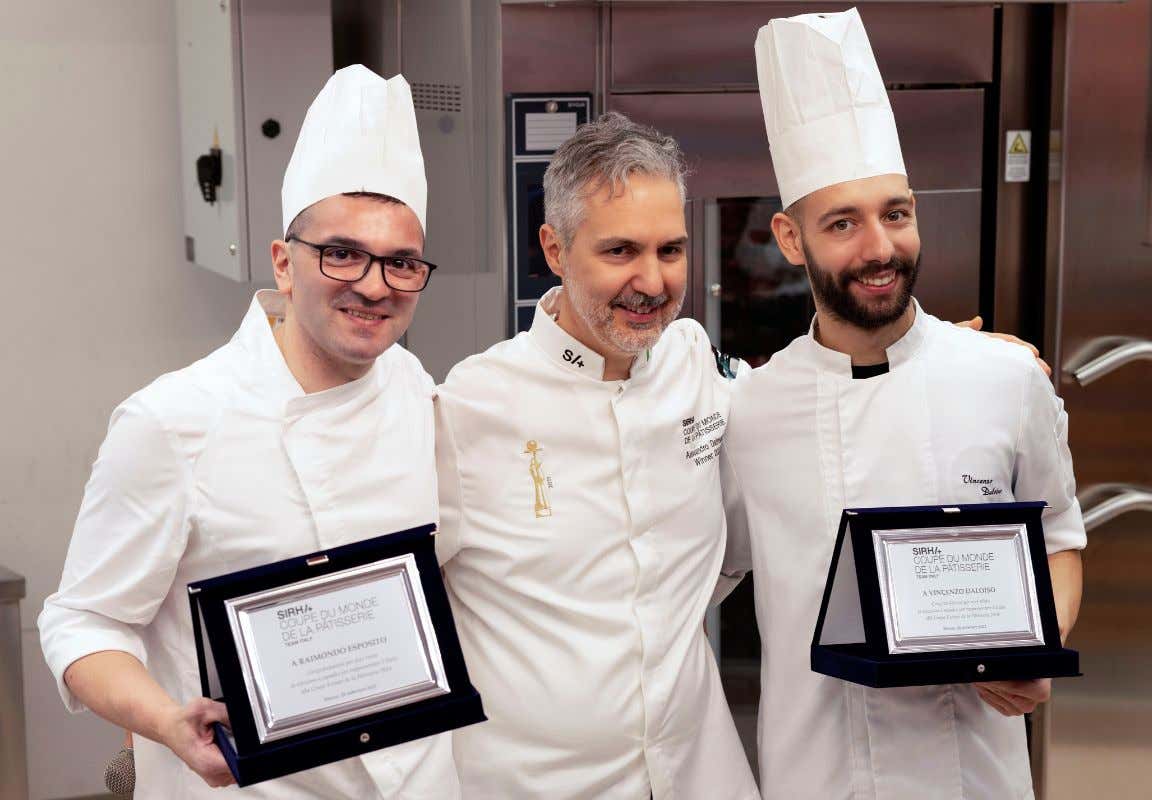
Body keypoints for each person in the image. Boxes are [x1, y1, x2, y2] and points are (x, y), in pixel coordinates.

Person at [39, 65, 461, 798]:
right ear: (283, 263)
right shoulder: (174, 422)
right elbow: (81, 623)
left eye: (400, 263)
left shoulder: (416, 390)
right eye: (341, 253)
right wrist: (166, 721)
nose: (373, 285)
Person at [720, 10, 1087, 799]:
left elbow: (1059, 537)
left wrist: (1039, 649)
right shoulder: (749, 412)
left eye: (895, 213)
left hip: (975, 776)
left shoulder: (1005, 378)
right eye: (842, 224)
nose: (879, 248)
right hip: (815, 776)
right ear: (789, 238)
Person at [434, 112, 760, 799]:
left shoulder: (696, 361)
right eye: (620, 252)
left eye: (671, 250)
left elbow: (820, 418)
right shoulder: (470, 406)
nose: (652, 281)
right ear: (554, 249)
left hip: (694, 771)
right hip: (530, 783)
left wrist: (944, 357)